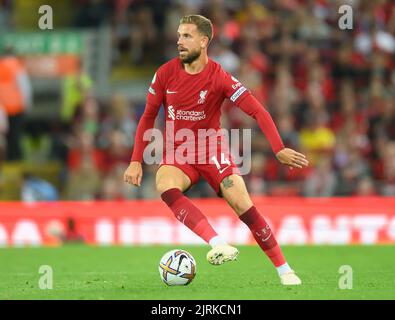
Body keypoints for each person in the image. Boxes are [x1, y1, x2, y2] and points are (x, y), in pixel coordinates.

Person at [124, 15, 309, 285]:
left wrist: (278, 148)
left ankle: (285, 270)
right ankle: (218, 243)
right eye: (178, 35)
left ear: (203, 41)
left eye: (186, 36)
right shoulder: (165, 73)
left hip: (212, 151)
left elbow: (257, 110)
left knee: (243, 205)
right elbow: (147, 117)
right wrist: (135, 160)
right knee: (164, 183)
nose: (179, 41)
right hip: (179, 152)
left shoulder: (219, 77)